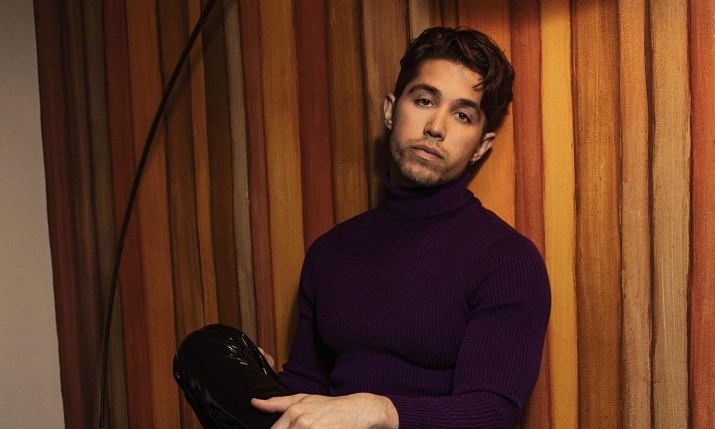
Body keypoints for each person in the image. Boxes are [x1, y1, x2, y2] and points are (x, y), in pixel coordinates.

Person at [174, 26, 550, 429]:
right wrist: (265, 390)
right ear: (391, 111)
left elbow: (492, 413)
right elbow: (308, 388)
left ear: (481, 146)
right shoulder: (330, 252)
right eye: (424, 100)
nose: (436, 127)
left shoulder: (507, 261)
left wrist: (379, 411)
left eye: (462, 115)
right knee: (206, 349)